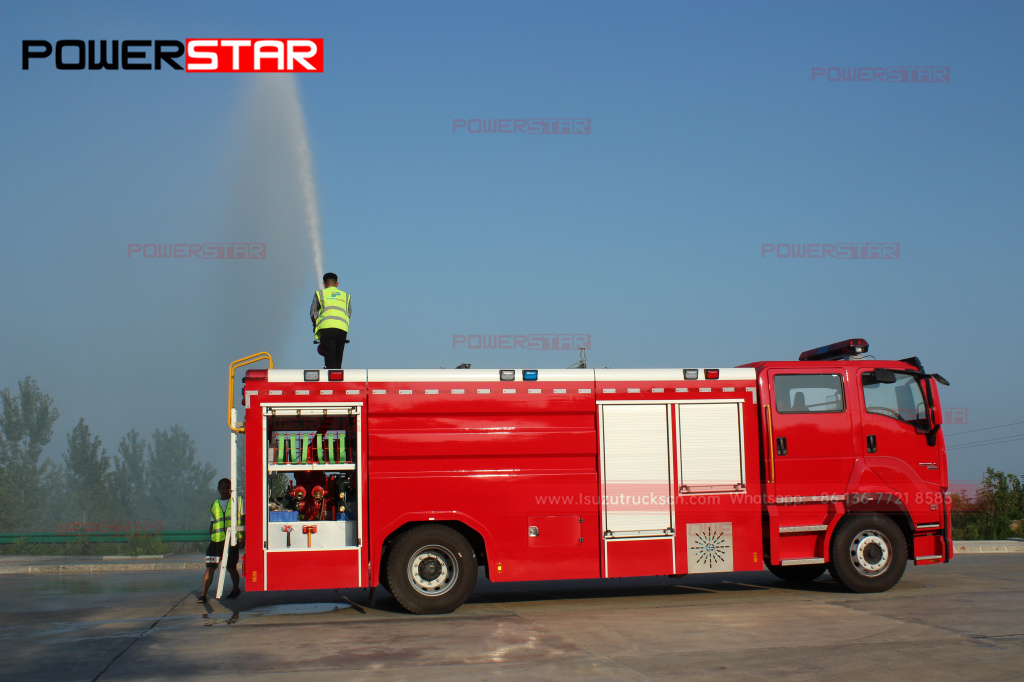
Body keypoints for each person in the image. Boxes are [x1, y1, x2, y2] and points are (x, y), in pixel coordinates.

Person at [198, 478, 244, 602]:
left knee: (231, 568)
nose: (224, 491)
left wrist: (242, 537)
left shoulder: (238, 502)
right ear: (218, 489)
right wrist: (211, 537)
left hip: (231, 541)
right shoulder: (214, 505)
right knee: (211, 567)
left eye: (227, 488)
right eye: (222, 488)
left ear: (231, 489)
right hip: (216, 541)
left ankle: (236, 589)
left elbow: (244, 520)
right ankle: (203, 595)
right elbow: (212, 524)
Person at [310, 272, 351, 369]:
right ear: (337, 284)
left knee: (330, 357)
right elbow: (349, 313)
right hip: (342, 329)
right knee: (338, 357)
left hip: (327, 327)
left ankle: (332, 379)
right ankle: (337, 376)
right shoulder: (345, 296)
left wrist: (314, 325)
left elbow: (313, 312)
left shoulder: (320, 294)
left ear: (324, 284)